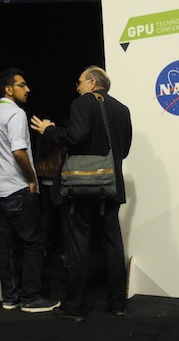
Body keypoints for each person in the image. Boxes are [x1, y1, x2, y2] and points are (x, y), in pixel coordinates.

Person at [30, 65, 132, 322]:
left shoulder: (82, 103)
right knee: (113, 246)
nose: (77, 87)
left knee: (77, 247)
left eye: (79, 82)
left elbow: (75, 136)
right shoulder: (122, 109)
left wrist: (49, 130)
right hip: (110, 186)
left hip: (81, 188)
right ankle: (118, 304)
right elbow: (125, 150)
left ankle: (74, 307)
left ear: (92, 83)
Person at [0, 67, 60, 313]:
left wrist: (3, 168)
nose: (28, 89)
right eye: (22, 85)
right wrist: (31, 179)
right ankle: (31, 298)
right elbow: (18, 151)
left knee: (5, 246)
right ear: (8, 89)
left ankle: (10, 297)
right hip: (17, 189)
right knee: (33, 243)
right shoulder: (16, 113)